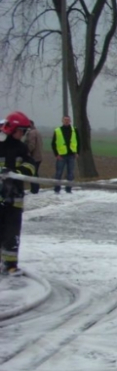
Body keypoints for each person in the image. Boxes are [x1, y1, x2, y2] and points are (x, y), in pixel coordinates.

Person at [0, 111, 36, 275]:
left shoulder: (22, 148)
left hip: (15, 198)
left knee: (12, 231)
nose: (23, 134)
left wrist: (16, 171)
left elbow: (31, 166)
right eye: (21, 130)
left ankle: (11, 264)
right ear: (12, 129)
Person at [51, 115, 79, 193]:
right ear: (62, 121)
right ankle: (57, 189)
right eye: (65, 119)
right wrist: (56, 154)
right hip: (61, 155)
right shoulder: (57, 130)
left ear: (70, 121)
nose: (66, 121)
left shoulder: (74, 130)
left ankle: (68, 189)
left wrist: (77, 152)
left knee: (70, 173)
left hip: (71, 155)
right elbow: (53, 143)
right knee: (59, 173)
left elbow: (78, 141)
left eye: (68, 120)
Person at [26, 120, 43, 194]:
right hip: (39, 156)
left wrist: (26, 152)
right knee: (35, 172)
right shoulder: (37, 131)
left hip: (34, 156)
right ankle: (36, 188)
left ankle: (34, 189)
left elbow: (31, 145)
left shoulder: (31, 133)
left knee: (33, 173)